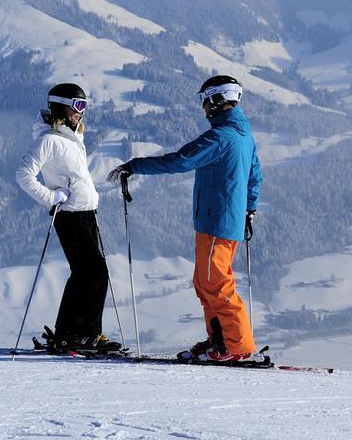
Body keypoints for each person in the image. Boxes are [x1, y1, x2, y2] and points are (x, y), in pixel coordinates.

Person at [108, 74, 262, 362]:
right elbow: (255, 175)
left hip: (217, 221)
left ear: (217, 100)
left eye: (204, 101)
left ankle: (237, 347)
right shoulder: (243, 135)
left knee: (216, 284)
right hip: (220, 221)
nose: (203, 108)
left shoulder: (221, 137)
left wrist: (135, 166)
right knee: (205, 283)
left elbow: (180, 160)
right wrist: (249, 210)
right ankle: (220, 340)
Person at [15, 82, 117, 353]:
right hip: (70, 215)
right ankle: (85, 335)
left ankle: (69, 332)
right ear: (63, 106)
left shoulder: (72, 137)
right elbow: (24, 175)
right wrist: (51, 197)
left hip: (85, 213)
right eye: (78, 106)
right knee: (96, 273)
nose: (81, 113)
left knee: (83, 274)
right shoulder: (49, 140)